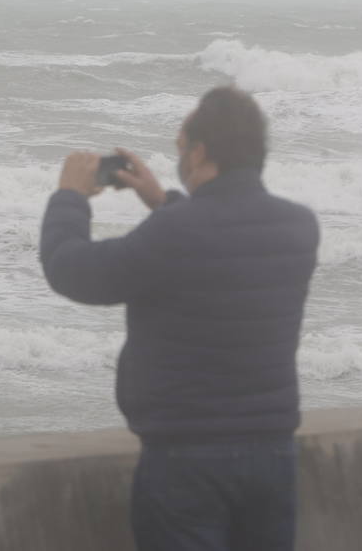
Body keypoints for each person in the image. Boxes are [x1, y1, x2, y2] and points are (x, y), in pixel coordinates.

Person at [39, 86, 318, 551]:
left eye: (181, 148)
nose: (180, 158)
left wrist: (70, 197)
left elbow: (74, 272)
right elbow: (223, 238)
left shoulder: (177, 232)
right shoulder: (297, 226)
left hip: (188, 460)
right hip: (272, 453)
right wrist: (161, 198)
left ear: (201, 152)